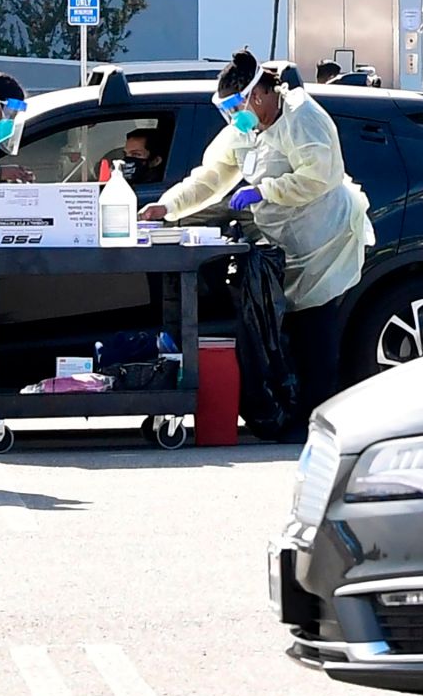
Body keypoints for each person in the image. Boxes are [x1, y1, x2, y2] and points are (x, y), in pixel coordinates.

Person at [141, 51, 373, 434]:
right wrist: (167, 206)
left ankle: (316, 423)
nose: (234, 116)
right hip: (286, 243)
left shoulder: (303, 118)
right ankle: (295, 414)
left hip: (327, 239)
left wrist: (264, 191)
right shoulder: (245, 130)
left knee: (315, 330)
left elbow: (318, 178)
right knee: (290, 333)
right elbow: (211, 177)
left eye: (237, 105)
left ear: (260, 95)